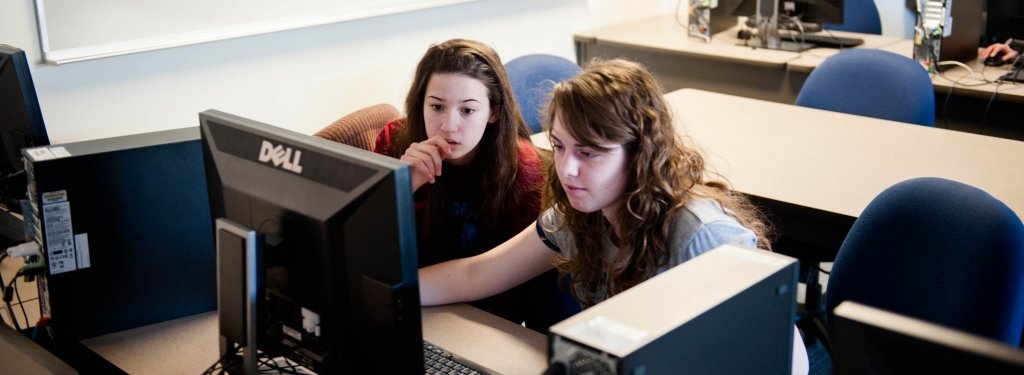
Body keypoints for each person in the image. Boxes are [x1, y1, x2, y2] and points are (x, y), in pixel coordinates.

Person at [418, 58, 809, 374]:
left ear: (639, 154)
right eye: (559, 146)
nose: (567, 169)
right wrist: (391, 290)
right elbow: (478, 274)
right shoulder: (580, 214)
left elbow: (787, 359)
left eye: (589, 153)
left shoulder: (702, 236)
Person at [372, 38, 554, 325]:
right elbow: (368, 250)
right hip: (403, 305)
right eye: (436, 107)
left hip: (482, 320)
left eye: (467, 110)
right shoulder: (395, 143)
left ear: (493, 112)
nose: (449, 125)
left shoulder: (525, 170)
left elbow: (518, 285)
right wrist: (402, 188)